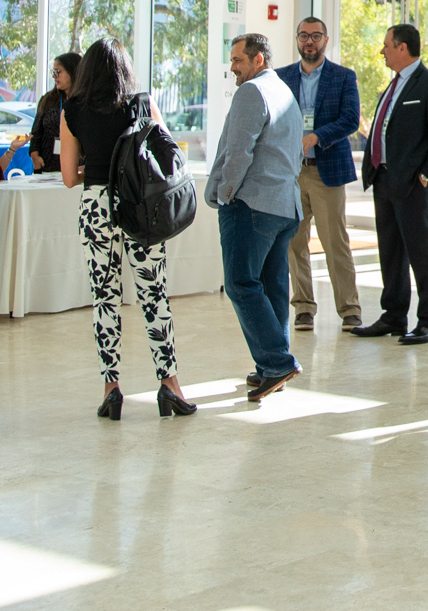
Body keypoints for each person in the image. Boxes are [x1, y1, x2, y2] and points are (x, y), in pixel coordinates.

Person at [60, 40, 193, 420]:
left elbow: (69, 177)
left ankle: (111, 389)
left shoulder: (73, 110)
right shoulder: (141, 103)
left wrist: (99, 171)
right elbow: (168, 153)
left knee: (105, 297)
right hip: (138, 206)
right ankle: (170, 387)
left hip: (97, 207)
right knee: (154, 296)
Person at [211, 33, 307, 401]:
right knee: (271, 287)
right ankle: (271, 366)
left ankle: (278, 361)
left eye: (237, 60)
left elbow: (238, 152)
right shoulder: (285, 92)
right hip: (285, 205)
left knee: (240, 283)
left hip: (253, 204)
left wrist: (227, 194)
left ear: (258, 60)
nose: (232, 67)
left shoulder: (251, 93)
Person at [349, 23, 428, 345]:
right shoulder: (393, 86)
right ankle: (394, 316)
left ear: (403, 48)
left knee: (422, 253)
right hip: (384, 181)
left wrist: (425, 178)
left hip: (412, 185)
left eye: (385, 45)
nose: (381, 51)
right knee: (391, 253)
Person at [276, 17, 362, 334]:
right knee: (294, 244)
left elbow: (351, 119)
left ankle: (350, 309)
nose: (309, 41)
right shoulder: (281, 77)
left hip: (327, 172)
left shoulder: (343, 77)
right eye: (303, 36)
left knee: (334, 243)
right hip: (290, 173)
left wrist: (317, 136)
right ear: (297, 40)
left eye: (315, 36)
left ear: (326, 40)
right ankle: (303, 308)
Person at [27, 51, 79, 174]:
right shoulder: (48, 100)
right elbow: (36, 132)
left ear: (73, 72)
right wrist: (35, 156)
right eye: (53, 72)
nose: (54, 76)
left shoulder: (85, 102)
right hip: (47, 167)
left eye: (58, 72)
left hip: (76, 168)